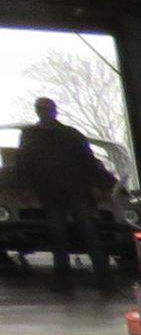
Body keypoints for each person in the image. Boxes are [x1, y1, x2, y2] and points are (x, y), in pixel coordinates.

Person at [19, 97, 111, 293]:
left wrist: (99, 185)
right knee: (66, 234)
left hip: (69, 191)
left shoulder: (60, 135)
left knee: (74, 233)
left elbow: (88, 161)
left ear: (53, 111)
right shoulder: (47, 135)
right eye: (43, 109)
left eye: (47, 109)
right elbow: (24, 163)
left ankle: (94, 279)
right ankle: (75, 279)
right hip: (59, 192)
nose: (45, 112)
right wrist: (26, 188)